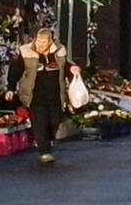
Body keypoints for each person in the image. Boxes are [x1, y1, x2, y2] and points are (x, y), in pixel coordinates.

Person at [4, 27, 80, 164]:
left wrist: (72, 69)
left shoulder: (59, 51)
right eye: (38, 41)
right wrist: (10, 88)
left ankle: (47, 139)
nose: (39, 44)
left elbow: (65, 66)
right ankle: (44, 152)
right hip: (34, 95)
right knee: (40, 122)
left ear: (50, 42)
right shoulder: (26, 51)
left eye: (43, 42)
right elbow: (16, 69)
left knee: (55, 121)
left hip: (55, 94)